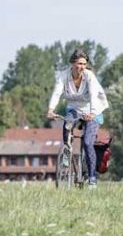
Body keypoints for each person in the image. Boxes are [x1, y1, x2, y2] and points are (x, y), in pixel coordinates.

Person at [46, 49, 109, 187]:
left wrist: (92, 113)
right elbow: (56, 93)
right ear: (72, 63)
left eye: (84, 64)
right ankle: (66, 155)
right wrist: (51, 109)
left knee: (87, 142)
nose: (82, 67)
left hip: (93, 109)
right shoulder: (63, 76)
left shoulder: (89, 76)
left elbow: (93, 95)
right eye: (79, 63)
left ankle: (92, 178)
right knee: (67, 125)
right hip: (74, 108)